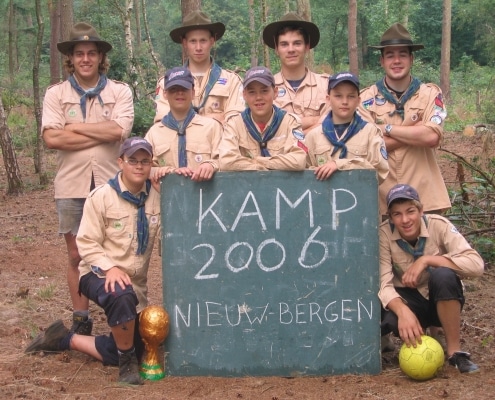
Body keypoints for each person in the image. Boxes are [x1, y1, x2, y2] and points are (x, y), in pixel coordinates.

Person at [26, 138, 163, 385]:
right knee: (121, 294)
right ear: (120, 162)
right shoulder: (101, 196)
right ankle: (127, 368)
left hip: (135, 284)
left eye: (145, 161)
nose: (139, 166)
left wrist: (168, 195)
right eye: (132, 160)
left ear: (151, 164)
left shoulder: (157, 197)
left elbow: (169, 239)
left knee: (134, 345)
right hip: (97, 273)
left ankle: (65, 339)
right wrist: (109, 268)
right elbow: (86, 243)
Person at [42, 22, 134, 335]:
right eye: (79, 53)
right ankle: (81, 318)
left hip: (111, 183)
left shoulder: (119, 91)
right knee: (76, 254)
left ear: (100, 57)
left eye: (91, 53)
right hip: (71, 185)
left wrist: (74, 128)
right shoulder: (56, 94)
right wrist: (100, 133)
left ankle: (120, 315)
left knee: (116, 251)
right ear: (70, 58)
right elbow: (52, 139)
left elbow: (119, 131)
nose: (85, 59)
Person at [379, 184, 484, 373]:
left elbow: (476, 265)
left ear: (421, 211)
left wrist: (427, 260)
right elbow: (383, 283)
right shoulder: (384, 234)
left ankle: (455, 353)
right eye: (397, 214)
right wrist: (403, 311)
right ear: (391, 217)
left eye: (410, 211)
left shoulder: (438, 225)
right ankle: (414, 342)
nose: (405, 220)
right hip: (409, 299)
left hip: (438, 297)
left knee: (444, 275)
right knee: (390, 316)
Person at [358, 23, 450, 217]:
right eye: (390, 55)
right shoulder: (365, 100)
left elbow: (431, 137)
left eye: (402, 54)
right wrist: (414, 131)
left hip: (425, 199)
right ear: (382, 61)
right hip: (381, 202)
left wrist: (385, 128)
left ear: (411, 59)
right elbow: (365, 148)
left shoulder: (430, 94)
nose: (397, 61)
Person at [153, 10, 244, 124]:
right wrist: (216, 118)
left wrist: (184, 120)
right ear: (184, 43)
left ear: (212, 41)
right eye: (193, 41)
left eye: (203, 41)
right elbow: (163, 124)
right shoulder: (166, 83)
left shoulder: (232, 81)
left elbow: (236, 124)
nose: (198, 47)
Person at [304, 72, 389, 182]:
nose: (345, 102)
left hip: (358, 193)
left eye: (351, 96)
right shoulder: (313, 136)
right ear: (328, 99)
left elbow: (380, 172)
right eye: (338, 96)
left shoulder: (370, 132)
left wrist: (340, 164)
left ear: (358, 100)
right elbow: (303, 176)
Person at [219, 66, 307, 171]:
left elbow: (299, 160)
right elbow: (226, 162)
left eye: (264, 91)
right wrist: (258, 166)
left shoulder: (290, 122)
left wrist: (260, 161)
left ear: (275, 92)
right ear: (244, 95)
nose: (258, 97)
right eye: (252, 92)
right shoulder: (234, 124)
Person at [145, 66, 221, 181]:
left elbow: (226, 161)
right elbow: (144, 168)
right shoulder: (154, 133)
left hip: (205, 191)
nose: (179, 93)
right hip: (169, 191)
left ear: (193, 93)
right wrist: (164, 171)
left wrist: (211, 165)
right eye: (174, 89)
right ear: (165, 94)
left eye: (184, 88)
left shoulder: (212, 127)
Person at [262, 13, 329, 134]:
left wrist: (288, 129)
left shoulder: (326, 85)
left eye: (297, 43)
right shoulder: (265, 88)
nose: (291, 49)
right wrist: (315, 120)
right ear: (276, 49)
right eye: (284, 44)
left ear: (307, 47)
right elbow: (266, 130)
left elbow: (333, 124)